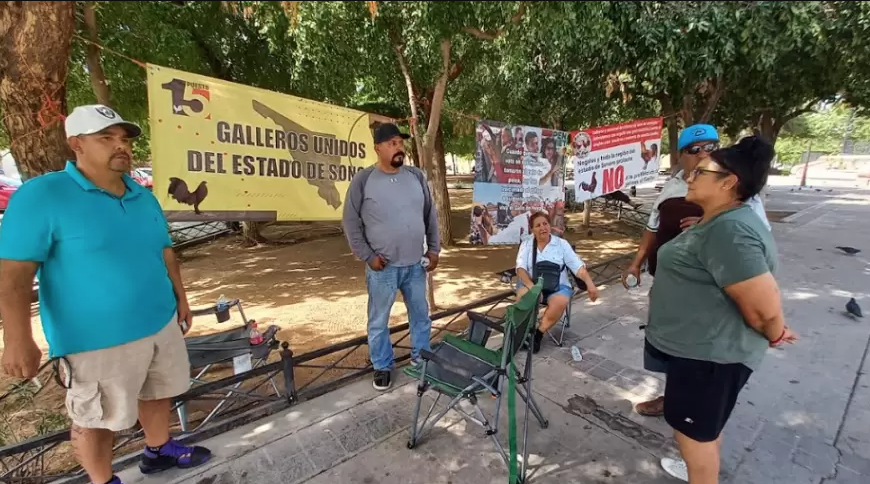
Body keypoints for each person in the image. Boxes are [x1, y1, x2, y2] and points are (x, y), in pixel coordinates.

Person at [0, 105, 211, 484]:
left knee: (158, 390)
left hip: (159, 319)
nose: (121, 147)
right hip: (94, 340)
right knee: (95, 418)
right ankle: (102, 480)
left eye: (125, 139)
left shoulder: (141, 195)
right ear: (76, 144)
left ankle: (159, 449)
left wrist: (181, 298)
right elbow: (13, 277)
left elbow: (164, 250)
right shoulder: (42, 196)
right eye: (106, 138)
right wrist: (17, 339)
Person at [646, 136, 798, 483]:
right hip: (697, 352)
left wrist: (776, 334)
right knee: (704, 432)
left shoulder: (730, 230)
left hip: (708, 359)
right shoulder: (717, 221)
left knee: (696, 440)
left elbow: (763, 309)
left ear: (728, 182)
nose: (690, 176)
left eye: (701, 171)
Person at [623, 124, 772, 418]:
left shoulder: (736, 193)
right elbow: (652, 226)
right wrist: (636, 262)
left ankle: (694, 419)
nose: (705, 154)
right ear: (681, 156)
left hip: (707, 291)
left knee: (697, 355)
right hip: (668, 283)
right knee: (668, 344)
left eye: (712, 148)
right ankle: (674, 397)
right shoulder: (673, 186)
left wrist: (710, 226)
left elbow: (751, 245)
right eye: (696, 150)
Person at [342, 122, 440, 391]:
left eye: (400, 142)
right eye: (392, 143)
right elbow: (350, 223)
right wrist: (367, 256)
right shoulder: (363, 180)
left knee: (421, 316)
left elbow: (430, 215)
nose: (399, 148)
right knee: (378, 320)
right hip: (382, 268)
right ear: (378, 148)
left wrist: (433, 249)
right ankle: (382, 365)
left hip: (416, 265)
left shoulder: (416, 176)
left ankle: (421, 360)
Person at [515, 212, 598, 353]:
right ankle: (525, 332)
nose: (542, 228)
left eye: (545, 224)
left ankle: (538, 334)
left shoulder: (561, 244)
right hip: (532, 284)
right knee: (524, 297)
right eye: (538, 225)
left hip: (558, 286)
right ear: (532, 229)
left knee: (560, 301)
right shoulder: (527, 244)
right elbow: (520, 269)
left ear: (549, 226)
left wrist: (590, 285)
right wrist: (533, 288)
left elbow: (578, 267)